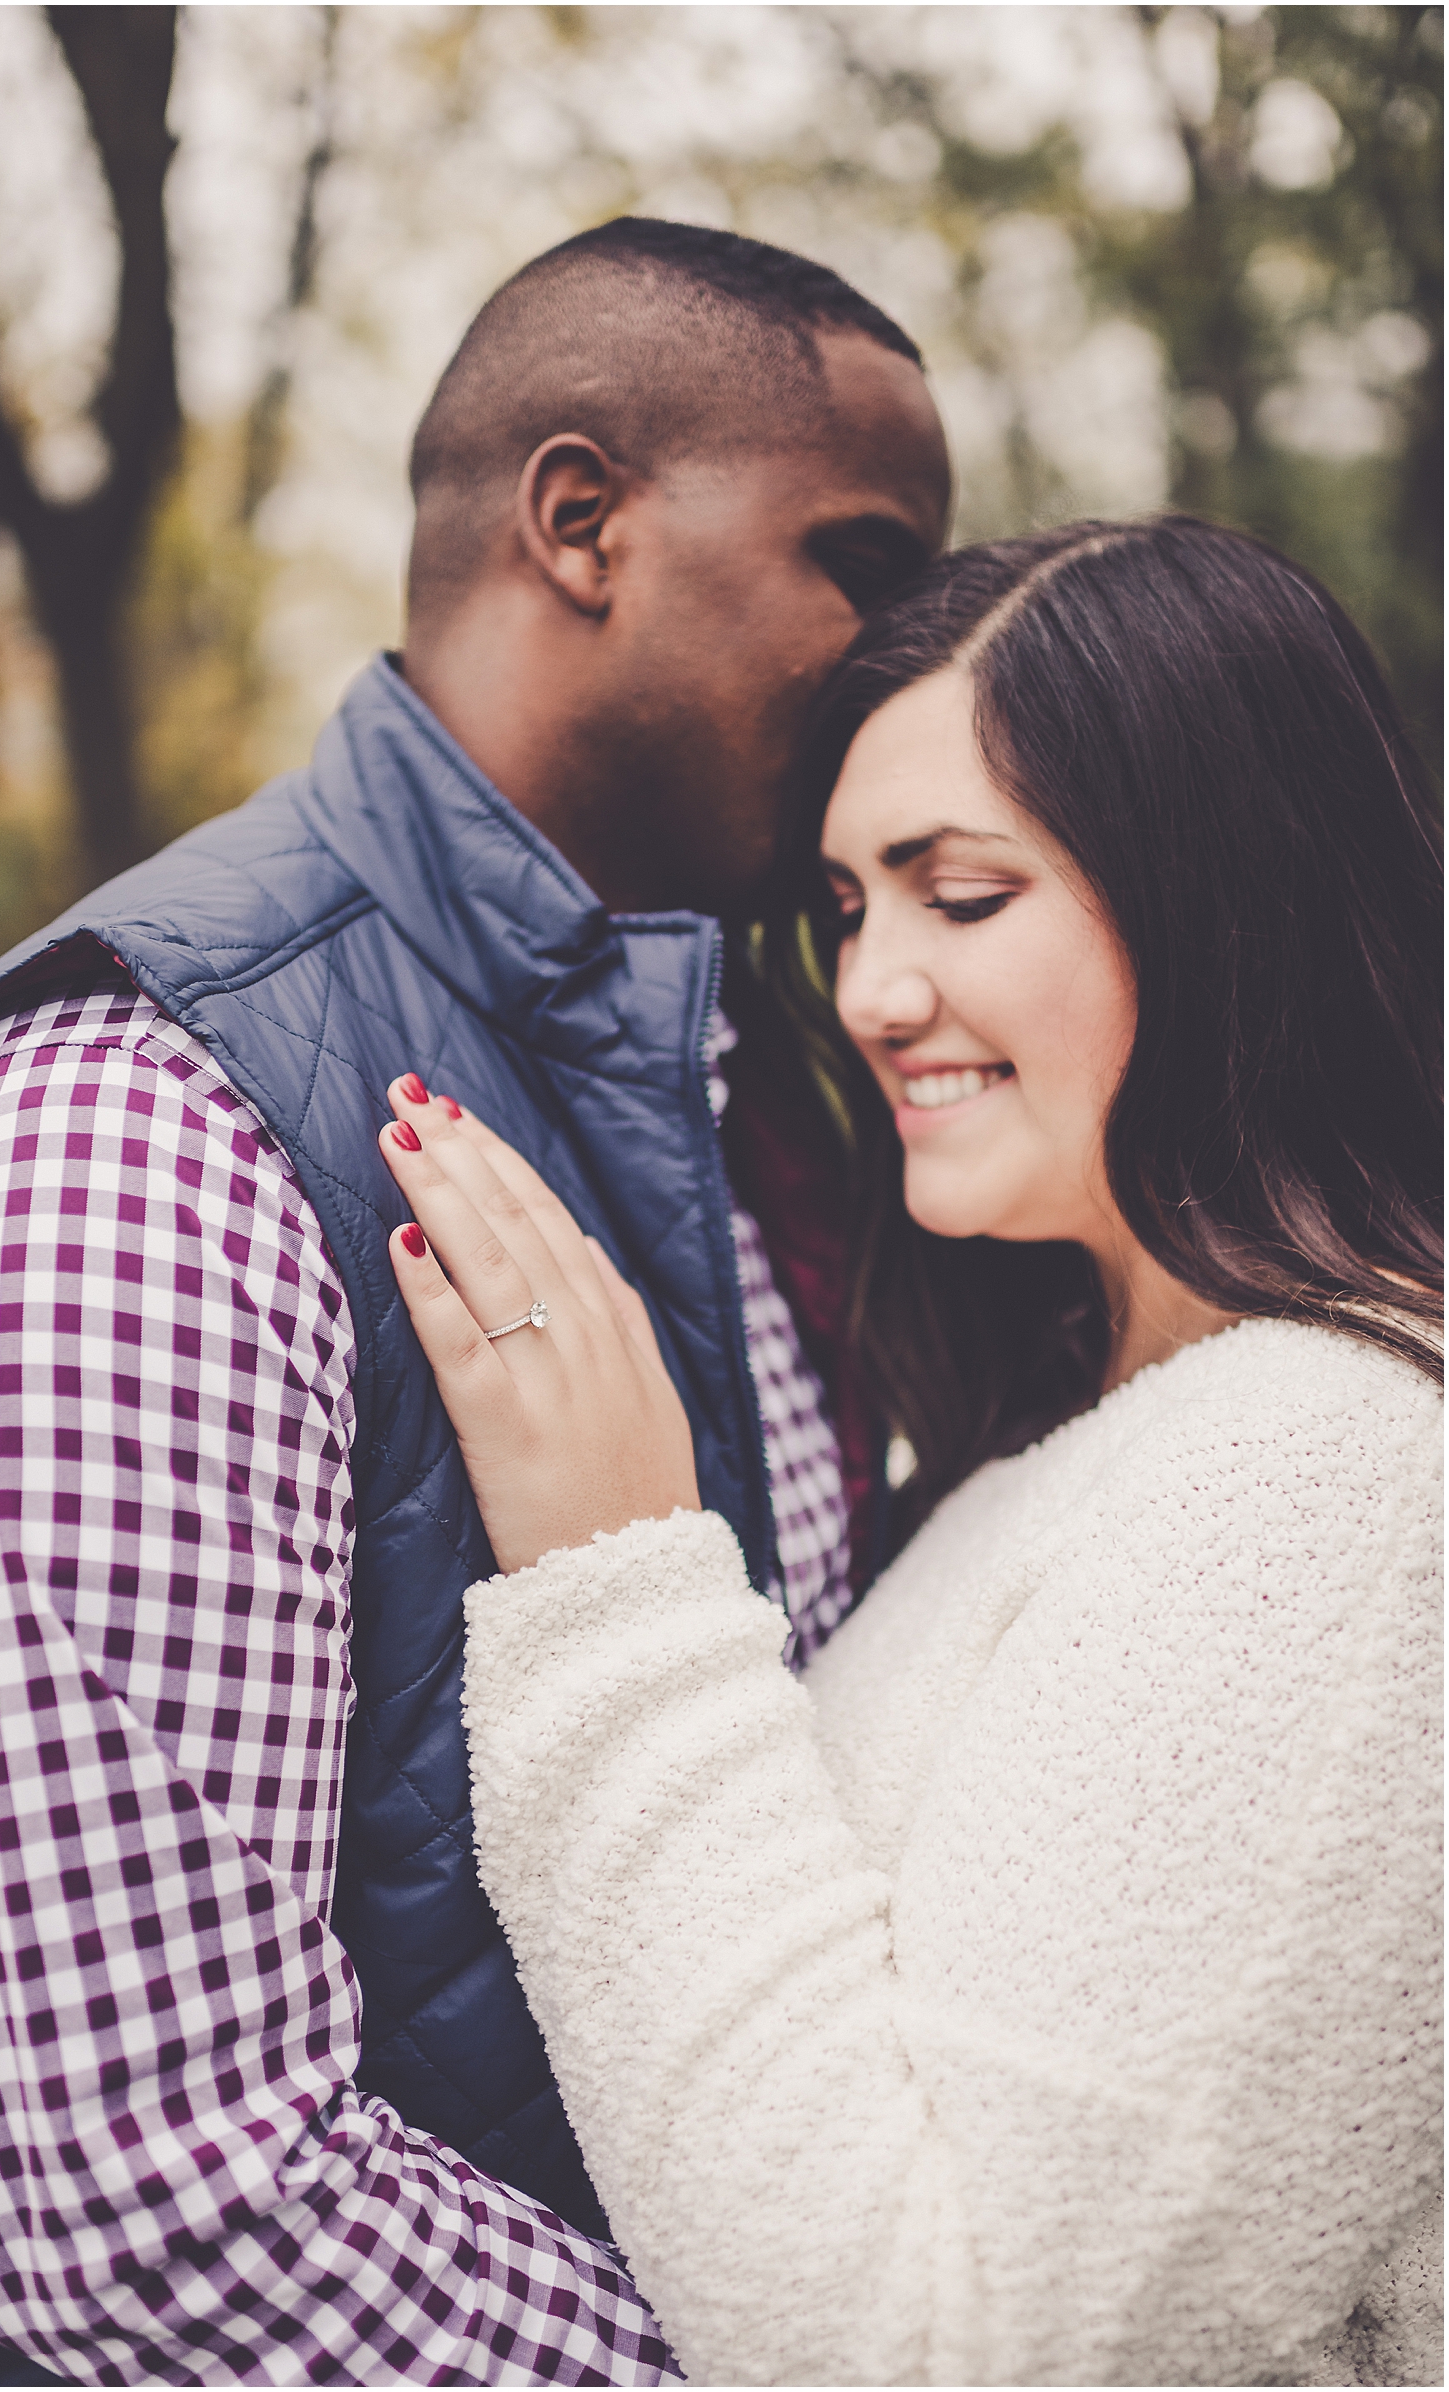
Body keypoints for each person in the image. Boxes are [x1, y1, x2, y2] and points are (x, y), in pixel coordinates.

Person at [0, 219, 950, 2384]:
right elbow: (153, 2213)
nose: (914, 652)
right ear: (579, 521)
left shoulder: (743, 1088)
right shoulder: (117, 1151)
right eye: (863, 559)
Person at [374, 517, 1444, 2387]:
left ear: (1223, 897)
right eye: (853, 907)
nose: (870, 990)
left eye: (961, 895)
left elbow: (957, 2351)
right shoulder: (1111, 1430)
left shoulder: (1332, 1470)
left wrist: (618, 1598)